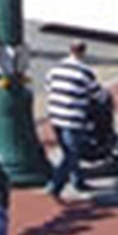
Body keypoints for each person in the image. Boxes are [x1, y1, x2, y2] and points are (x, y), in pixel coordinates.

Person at [44, 40, 103, 200]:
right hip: (72, 117)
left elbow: (48, 86)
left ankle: (78, 180)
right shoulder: (85, 72)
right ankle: (55, 185)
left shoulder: (56, 68)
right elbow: (98, 95)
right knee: (72, 154)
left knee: (67, 149)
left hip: (55, 115)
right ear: (83, 52)